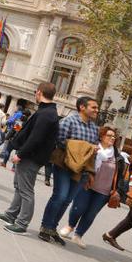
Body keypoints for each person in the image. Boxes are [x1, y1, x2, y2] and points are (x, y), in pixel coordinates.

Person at [0, 82, 60, 234]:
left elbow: (36, 138)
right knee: (20, 186)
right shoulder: (46, 111)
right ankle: (11, 215)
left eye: (36, 92)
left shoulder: (46, 113)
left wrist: (21, 154)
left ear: (39, 92)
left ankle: (22, 223)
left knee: (26, 190)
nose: (35, 94)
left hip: (31, 157)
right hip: (31, 156)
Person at [38, 96, 100, 245]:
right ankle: (45, 227)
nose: (97, 110)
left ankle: (52, 228)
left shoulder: (94, 128)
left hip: (81, 170)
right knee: (59, 196)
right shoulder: (68, 121)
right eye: (94, 107)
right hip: (64, 165)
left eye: (97, 108)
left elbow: (92, 151)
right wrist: (80, 149)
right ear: (82, 107)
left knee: (67, 200)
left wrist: (91, 172)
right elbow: (59, 140)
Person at [59, 125, 127, 248]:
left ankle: (78, 235)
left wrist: (118, 191)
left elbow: (121, 176)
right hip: (86, 184)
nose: (112, 138)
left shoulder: (118, 157)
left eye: (114, 136)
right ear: (101, 136)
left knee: (91, 214)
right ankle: (70, 226)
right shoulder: (93, 148)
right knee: (78, 208)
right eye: (109, 135)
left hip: (104, 191)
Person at [0, 99, 28, 167]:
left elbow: (15, 131)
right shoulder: (28, 123)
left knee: (8, 150)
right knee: (17, 153)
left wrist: (8, 137)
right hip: (21, 141)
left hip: (14, 139)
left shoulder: (19, 123)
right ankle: (14, 167)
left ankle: (4, 163)